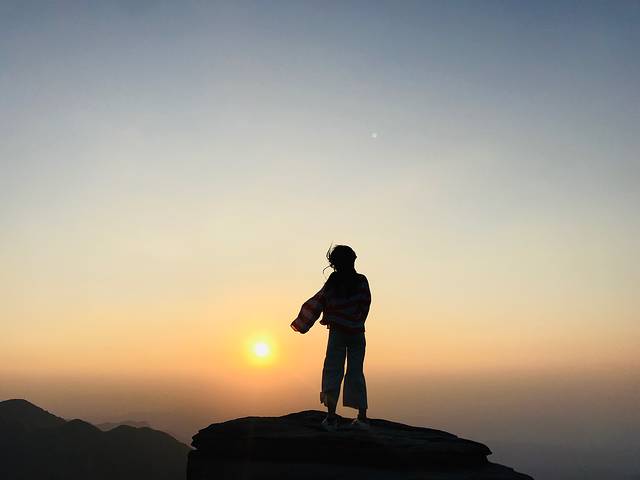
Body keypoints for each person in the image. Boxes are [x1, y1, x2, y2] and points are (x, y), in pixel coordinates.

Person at [291, 245, 372, 431]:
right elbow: (365, 304)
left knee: (332, 370)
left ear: (334, 264)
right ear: (353, 260)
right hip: (357, 333)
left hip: (337, 333)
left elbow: (318, 302)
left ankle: (331, 417)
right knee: (356, 371)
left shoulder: (333, 282)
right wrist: (356, 320)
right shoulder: (361, 281)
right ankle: (362, 417)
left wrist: (302, 323)